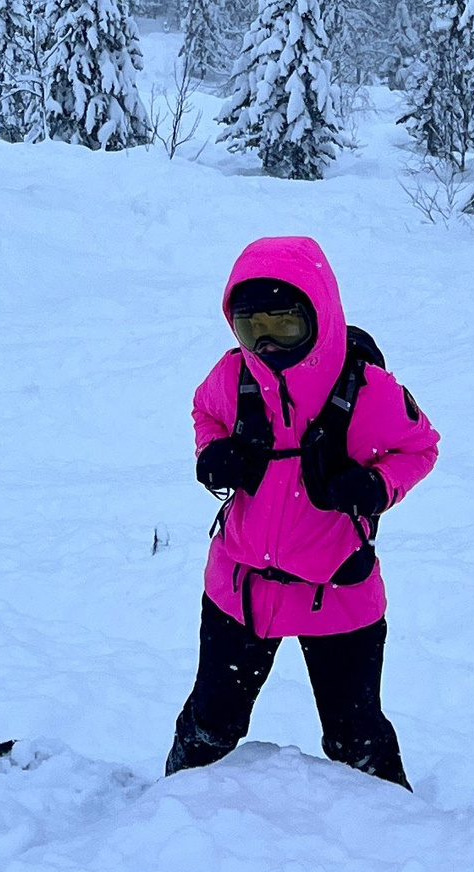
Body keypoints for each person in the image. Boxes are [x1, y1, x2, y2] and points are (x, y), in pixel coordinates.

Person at [166, 232, 439, 786]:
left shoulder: (369, 393)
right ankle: (166, 814)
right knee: (209, 727)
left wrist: (376, 486)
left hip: (337, 590)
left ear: (320, 316)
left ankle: (405, 840)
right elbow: (205, 412)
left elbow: (421, 446)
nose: (266, 346)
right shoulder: (233, 378)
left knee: (356, 737)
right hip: (239, 590)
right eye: (251, 329)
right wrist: (213, 451)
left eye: (283, 326)